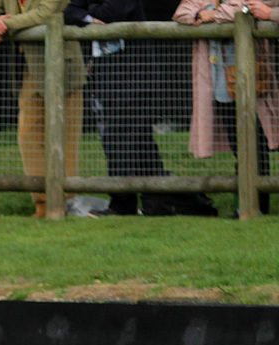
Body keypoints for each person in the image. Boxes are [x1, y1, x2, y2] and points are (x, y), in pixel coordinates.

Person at [66, 0, 215, 215]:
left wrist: (88, 12)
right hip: (107, 78)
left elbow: (109, 12)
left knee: (129, 143)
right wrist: (89, 17)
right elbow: (69, 10)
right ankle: (157, 203)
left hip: (135, 77)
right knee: (127, 143)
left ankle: (128, 204)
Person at [0, 0, 86, 217]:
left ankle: (66, 202)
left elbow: (46, 12)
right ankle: (42, 203)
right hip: (29, 69)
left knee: (65, 139)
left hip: (63, 68)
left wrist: (6, 25)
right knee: (28, 135)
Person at [173, 0, 279, 215]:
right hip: (222, 86)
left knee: (257, 144)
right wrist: (203, 14)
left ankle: (255, 204)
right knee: (242, 148)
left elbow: (247, 9)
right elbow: (182, 12)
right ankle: (248, 206)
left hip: (256, 83)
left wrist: (211, 14)